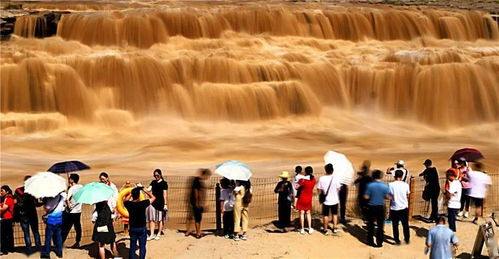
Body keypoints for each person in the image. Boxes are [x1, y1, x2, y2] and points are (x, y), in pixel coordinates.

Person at [124, 185, 156, 259]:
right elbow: (153, 198)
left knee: (132, 247)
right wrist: (144, 189)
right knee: (142, 247)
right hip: (142, 228)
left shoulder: (129, 204)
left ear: (132, 196)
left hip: (133, 228)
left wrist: (131, 193)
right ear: (139, 195)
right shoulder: (143, 203)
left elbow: (125, 200)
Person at [13, 176, 42, 254]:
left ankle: (29, 249)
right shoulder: (34, 192)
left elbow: (15, 203)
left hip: (23, 214)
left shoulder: (18, 190)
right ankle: (38, 248)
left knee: (26, 233)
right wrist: (43, 203)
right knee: (35, 231)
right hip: (32, 214)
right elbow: (37, 203)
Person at [364, 170, 391, 247]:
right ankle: (379, 242)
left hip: (371, 207)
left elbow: (366, 196)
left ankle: (370, 241)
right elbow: (387, 197)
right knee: (380, 225)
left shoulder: (369, 185)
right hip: (380, 207)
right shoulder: (385, 186)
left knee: (371, 225)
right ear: (381, 176)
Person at [186, 169, 211, 239]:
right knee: (197, 218)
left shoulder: (197, 180)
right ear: (204, 175)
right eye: (207, 176)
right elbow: (196, 192)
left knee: (192, 217)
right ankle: (197, 233)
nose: (207, 178)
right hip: (196, 202)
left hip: (194, 202)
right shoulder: (197, 181)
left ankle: (190, 231)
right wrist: (198, 203)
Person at [317, 164, 341, 235]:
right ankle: (335, 228)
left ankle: (325, 229)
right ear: (332, 170)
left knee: (325, 215)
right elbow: (339, 188)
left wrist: (322, 193)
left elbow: (318, 189)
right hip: (335, 199)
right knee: (334, 214)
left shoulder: (322, 178)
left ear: (326, 170)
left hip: (326, 200)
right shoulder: (336, 178)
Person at [41, 191, 67, 259]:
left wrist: (44, 203)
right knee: (59, 237)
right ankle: (59, 253)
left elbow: (47, 208)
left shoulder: (51, 198)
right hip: (59, 219)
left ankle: (47, 253)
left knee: (48, 238)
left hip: (51, 220)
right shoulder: (62, 196)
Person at [389, 170, 410, 245]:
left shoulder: (391, 185)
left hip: (394, 207)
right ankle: (407, 239)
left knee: (395, 225)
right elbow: (408, 195)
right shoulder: (406, 185)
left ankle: (397, 240)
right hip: (404, 206)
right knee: (405, 224)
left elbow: (390, 196)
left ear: (395, 176)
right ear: (402, 176)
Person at [146, 169, 168, 241]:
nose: (156, 177)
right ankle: (151, 234)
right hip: (152, 202)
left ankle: (158, 233)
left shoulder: (164, 183)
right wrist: (142, 188)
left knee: (160, 219)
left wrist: (165, 204)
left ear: (160, 175)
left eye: (157, 175)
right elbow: (149, 190)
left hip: (160, 203)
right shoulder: (153, 182)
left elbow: (165, 194)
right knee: (151, 219)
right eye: (155, 175)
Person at [62, 173, 83, 248]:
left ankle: (61, 242)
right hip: (78, 211)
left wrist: (69, 205)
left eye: (70, 178)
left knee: (66, 228)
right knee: (78, 227)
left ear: (72, 180)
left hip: (71, 212)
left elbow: (67, 199)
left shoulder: (72, 188)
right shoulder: (81, 187)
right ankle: (78, 242)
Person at [296, 166, 316, 235]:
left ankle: (302, 229)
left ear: (306, 172)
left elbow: (296, 187)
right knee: (308, 213)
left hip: (302, 197)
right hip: (309, 198)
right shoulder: (313, 180)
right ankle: (310, 228)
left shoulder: (303, 180)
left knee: (301, 213)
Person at [0, 185, 15, 255]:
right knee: (9, 234)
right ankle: (10, 248)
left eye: (2, 191)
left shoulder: (8, 198)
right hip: (8, 218)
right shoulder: (6, 198)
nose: (1, 192)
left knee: (4, 235)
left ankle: (5, 249)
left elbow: (3, 208)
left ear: (7, 191)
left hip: (6, 218)